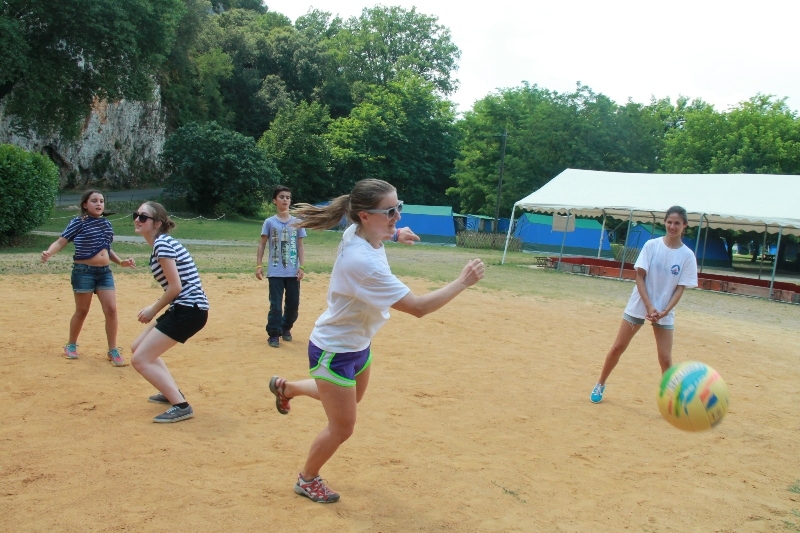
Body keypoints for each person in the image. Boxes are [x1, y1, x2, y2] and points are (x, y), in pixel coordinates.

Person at [268, 179, 485, 503]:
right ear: (365, 216)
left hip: (358, 343)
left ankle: (288, 388)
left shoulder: (360, 231)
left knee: (349, 400)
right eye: (390, 212)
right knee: (342, 427)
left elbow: (380, 233)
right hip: (334, 349)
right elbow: (418, 307)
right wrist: (463, 282)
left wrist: (395, 233)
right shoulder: (362, 262)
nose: (397, 215)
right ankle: (307, 479)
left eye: (399, 207)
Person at [590, 206, 698, 404]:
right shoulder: (652, 245)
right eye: (669, 222)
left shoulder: (687, 255)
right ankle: (600, 383)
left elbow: (680, 288)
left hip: (665, 310)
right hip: (641, 303)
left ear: (685, 226)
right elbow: (640, 277)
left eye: (677, 223)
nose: (672, 226)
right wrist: (648, 306)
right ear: (664, 223)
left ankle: (670, 398)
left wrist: (665, 310)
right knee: (618, 347)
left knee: (665, 358)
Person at [130, 201, 209, 423]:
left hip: (189, 309)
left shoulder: (162, 245)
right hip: (185, 307)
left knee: (140, 360)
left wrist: (152, 310)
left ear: (158, 223)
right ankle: (170, 391)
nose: (137, 219)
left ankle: (181, 405)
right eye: (136, 215)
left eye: (143, 217)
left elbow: (175, 287)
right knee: (138, 348)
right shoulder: (161, 243)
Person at [41, 189, 135, 365]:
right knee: (82, 311)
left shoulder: (106, 224)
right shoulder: (78, 222)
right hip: (84, 271)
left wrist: (120, 262)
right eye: (94, 201)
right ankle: (71, 345)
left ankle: (113, 350)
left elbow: (106, 248)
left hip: (104, 273)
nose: (99, 204)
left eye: (101, 201)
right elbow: (62, 241)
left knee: (112, 310)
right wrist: (49, 252)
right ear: (85, 204)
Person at [256, 185, 306, 348]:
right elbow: (262, 244)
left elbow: (300, 246)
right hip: (275, 272)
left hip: (293, 272)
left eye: (288, 197)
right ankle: (274, 334)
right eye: (282, 197)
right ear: (274, 200)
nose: (285, 200)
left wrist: (302, 267)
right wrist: (259, 265)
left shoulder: (297, 222)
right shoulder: (269, 222)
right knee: (275, 305)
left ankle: (286, 328)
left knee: (293, 305)